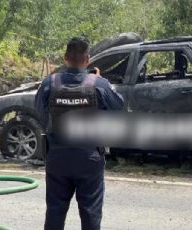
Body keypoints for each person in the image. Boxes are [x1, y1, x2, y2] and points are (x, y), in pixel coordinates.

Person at [35, 37, 124, 230]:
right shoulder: (99, 84)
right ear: (88, 59)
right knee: (91, 213)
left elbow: (40, 115)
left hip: (57, 156)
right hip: (88, 158)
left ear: (65, 57)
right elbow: (119, 110)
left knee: (55, 212)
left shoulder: (50, 83)